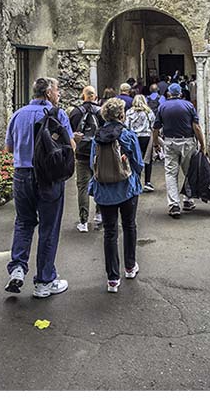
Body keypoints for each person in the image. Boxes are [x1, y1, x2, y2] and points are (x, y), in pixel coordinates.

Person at [4, 76, 75, 298]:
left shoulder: (18, 114)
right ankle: (44, 281)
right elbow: (70, 145)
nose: (59, 94)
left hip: (22, 175)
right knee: (48, 228)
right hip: (48, 178)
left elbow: (8, 148)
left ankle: (17, 268)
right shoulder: (58, 114)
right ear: (48, 94)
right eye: (56, 90)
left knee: (24, 223)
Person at [88, 97, 143, 293]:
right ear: (121, 115)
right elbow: (138, 163)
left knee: (110, 232)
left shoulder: (97, 136)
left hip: (104, 190)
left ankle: (112, 279)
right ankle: (129, 266)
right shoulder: (127, 135)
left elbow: (91, 164)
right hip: (126, 187)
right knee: (129, 226)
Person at [152, 82, 206, 219]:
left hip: (170, 142)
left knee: (171, 173)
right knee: (189, 171)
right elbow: (196, 127)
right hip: (187, 141)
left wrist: (155, 144)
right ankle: (188, 200)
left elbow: (156, 128)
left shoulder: (162, 106)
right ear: (181, 93)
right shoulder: (188, 105)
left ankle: (174, 205)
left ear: (169, 93)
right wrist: (202, 144)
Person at [68, 86, 104, 232]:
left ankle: (83, 221)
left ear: (83, 96)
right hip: (98, 153)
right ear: (95, 97)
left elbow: (69, 132)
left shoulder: (75, 112)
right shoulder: (102, 112)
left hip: (82, 153)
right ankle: (99, 214)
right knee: (100, 182)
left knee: (82, 186)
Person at [125, 94, 156, 192]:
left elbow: (126, 125)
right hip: (146, 137)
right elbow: (153, 124)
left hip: (134, 137)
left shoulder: (129, 112)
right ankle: (147, 182)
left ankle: (136, 180)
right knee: (148, 159)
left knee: (134, 159)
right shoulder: (148, 112)